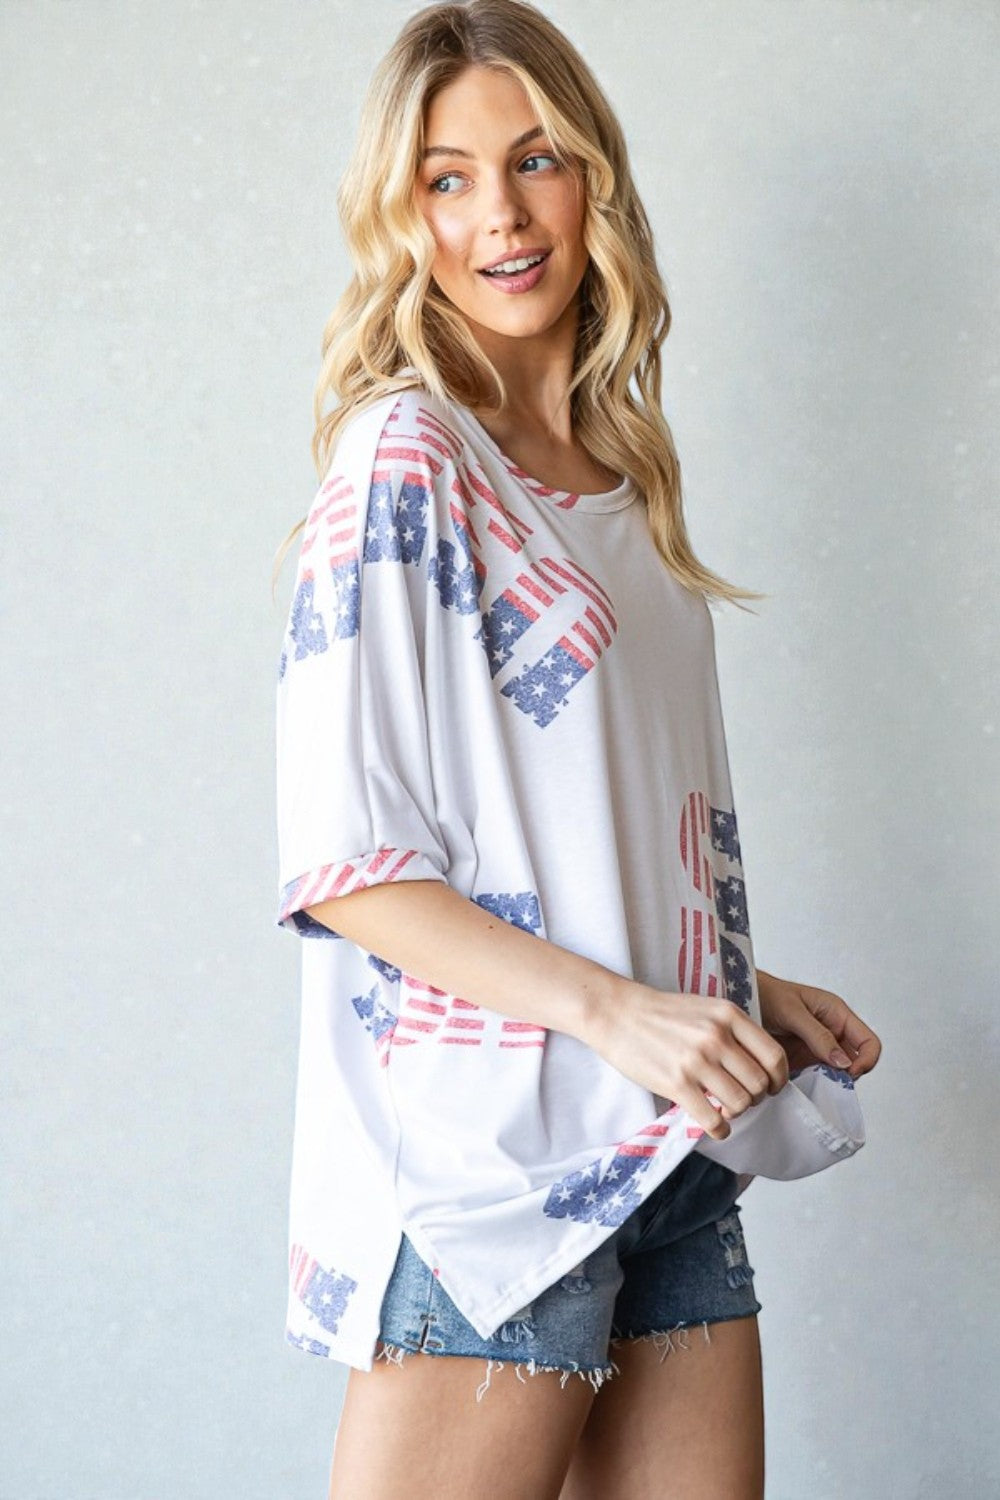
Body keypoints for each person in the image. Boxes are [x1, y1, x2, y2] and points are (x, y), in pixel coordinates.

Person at [271, 3, 882, 1496]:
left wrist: (729, 988)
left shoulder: (621, 484)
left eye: (533, 160)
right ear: (401, 213)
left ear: (593, 176)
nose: (501, 215)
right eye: (447, 176)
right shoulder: (409, 462)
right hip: (494, 1172)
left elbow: (587, 828)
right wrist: (619, 1011)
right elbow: (353, 873)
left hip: (668, 1149)